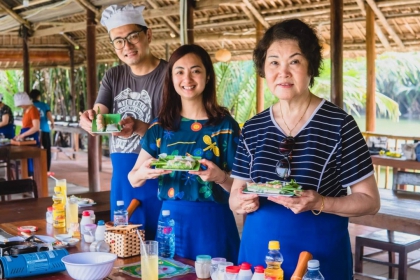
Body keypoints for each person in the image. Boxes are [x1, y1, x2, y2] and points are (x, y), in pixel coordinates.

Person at [229, 19, 380, 279]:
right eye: (274, 62)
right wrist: (242, 202)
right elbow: (234, 197)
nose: (283, 72)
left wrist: (321, 201)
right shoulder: (253, 127)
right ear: (264, 69)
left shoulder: (339, 124)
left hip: (317, 257)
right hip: (257, 258)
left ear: (311, 66)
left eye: (295, 61)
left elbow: (370, 201)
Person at [128, 44, 241, 262]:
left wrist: (220, 177)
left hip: (214, 223)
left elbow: (241, 187)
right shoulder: (160, 126)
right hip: (172, 222)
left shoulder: (225, 126)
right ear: (171, 78)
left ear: (207, 76)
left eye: (196, 70)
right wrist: (144, 172)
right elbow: (133, 179)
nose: (187, 79)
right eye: (179, 71)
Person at [78, 4, 166, 240]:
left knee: (158, 243)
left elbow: (175, 131)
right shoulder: (113, 75)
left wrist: (139, 127)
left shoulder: (169, 75)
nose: (126, 46)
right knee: (123, 240)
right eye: (118, 40)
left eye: (132, 36)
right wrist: (90, 120)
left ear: (148, 34)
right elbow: (99, 115)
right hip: (121, 171)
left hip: (156, 170)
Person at [29, 89, 55, 174]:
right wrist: (52, 122)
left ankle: (34, 168)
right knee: (46, 149)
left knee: (33, 149)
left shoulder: (30, 106)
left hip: (33, 130)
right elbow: (48, 114)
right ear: (38, 96)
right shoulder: (44, 105)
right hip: (44, 129)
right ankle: (46, 169)